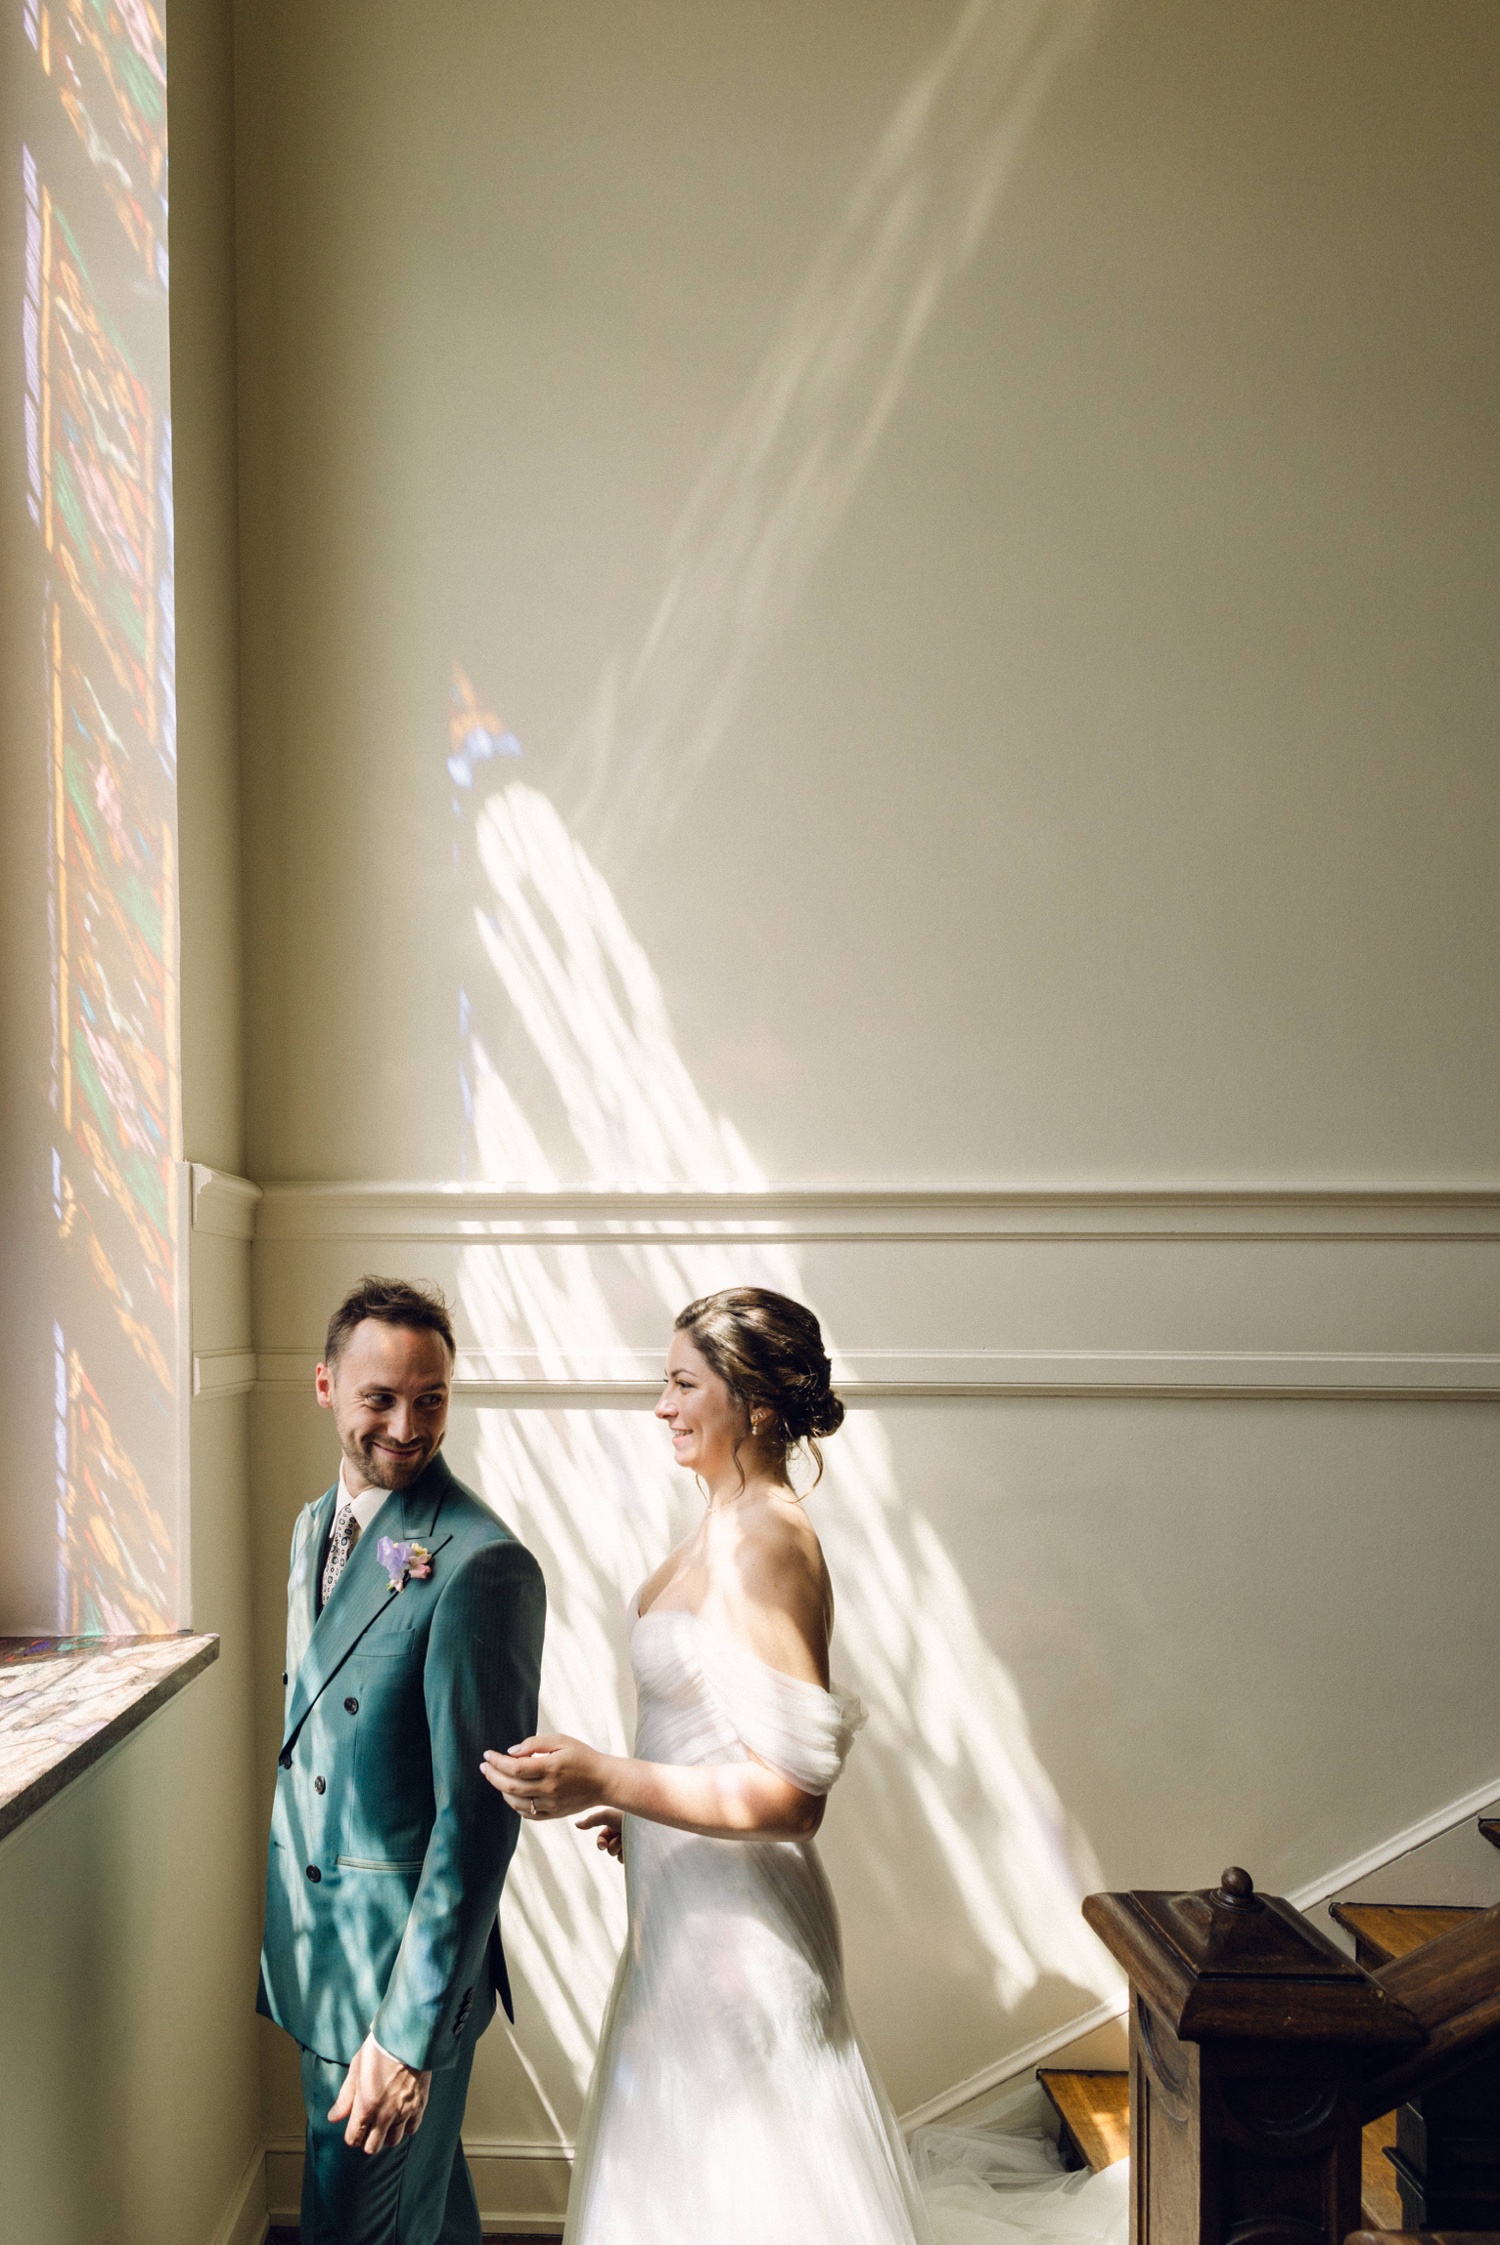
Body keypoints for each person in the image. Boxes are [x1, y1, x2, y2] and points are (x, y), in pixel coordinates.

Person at [481, 1285, 931, 2245]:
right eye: (666, 1381)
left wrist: (609, 1778)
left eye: (685, 1382)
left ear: (757, 1404)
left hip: (745, 1941)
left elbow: (794, 1799)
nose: (662, 1405)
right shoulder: (719, 1522)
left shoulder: (769, 1540)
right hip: (679, 1921)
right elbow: (718, 1734)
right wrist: (641, 1810)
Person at [259, 1275, 546, 2245]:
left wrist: (407, 2034)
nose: (408, 1424)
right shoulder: (311, 1531)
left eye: (431, 1398)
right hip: (321, 1962)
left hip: (395, 1988)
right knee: (420, 2215)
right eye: (381, 1396)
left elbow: (478, 1825)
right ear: (326, 1386)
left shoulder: (479, 1563)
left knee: (354, 2231)